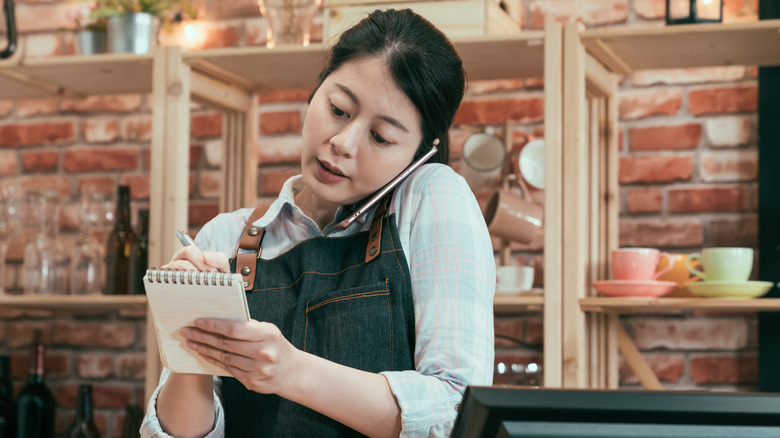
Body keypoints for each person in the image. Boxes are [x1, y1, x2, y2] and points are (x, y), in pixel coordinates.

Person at [141, 8, 494, 437]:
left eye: (381, 137)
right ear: (316, 90)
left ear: (420, 153)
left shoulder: (431, 198)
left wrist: (291, 372)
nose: (342, 143)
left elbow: (457, 410)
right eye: (339, 108)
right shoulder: (226, 237)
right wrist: (192, 343)